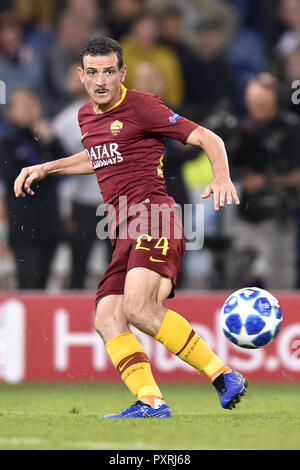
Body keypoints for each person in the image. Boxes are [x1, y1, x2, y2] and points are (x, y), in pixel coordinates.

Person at [14, 37, 247, 418]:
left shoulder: (142, 106)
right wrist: (46, 167)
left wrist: (221, 177)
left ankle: (223, 375)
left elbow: (208, 136)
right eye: (93, 73)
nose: (101, 80)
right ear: (81, 76)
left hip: (154, 215)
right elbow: (98, 157)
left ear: (122, 72)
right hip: (123, 226)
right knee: (107, 318)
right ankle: (151, 401)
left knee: (139, 308)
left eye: (109, 71)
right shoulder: (86, 117)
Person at [228, 73, 300, 289]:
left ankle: (287, 321)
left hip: (278, 218)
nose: (257, 106)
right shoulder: (244, 130)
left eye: (262, 101)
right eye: (253, 101)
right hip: (246, 217)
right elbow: (228, 168)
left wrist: (266, 180)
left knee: (280, 280)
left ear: (274, 99)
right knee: (233, 279)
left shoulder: (292, 129)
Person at [0, 87, 64, 289]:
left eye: (32, 105)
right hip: (24, 225)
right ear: (11, 112)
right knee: (27, 280)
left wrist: (48, 141)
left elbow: (64, 170)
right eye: (22, 106)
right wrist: (46, 170)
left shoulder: (48, 139)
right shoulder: (6, 143)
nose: (28, 110)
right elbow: (14, 175)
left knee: (45, 281)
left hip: (50, 222)